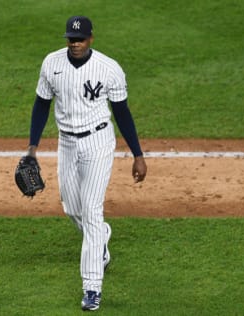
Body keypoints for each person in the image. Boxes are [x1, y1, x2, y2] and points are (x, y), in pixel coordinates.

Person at [26, 15, 147, 311]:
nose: (75, 44)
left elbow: (122, 113)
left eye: (80, 39)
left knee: (92, 210)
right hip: (66, 143)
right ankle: (101, 240)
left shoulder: (109, 69)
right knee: (71, 207)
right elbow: (42, 104)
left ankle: (92, 287)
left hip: (98, 142)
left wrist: (138, 154)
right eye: (71, 39)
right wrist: (32, 148)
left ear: (91, 38)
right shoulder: (52, 64)